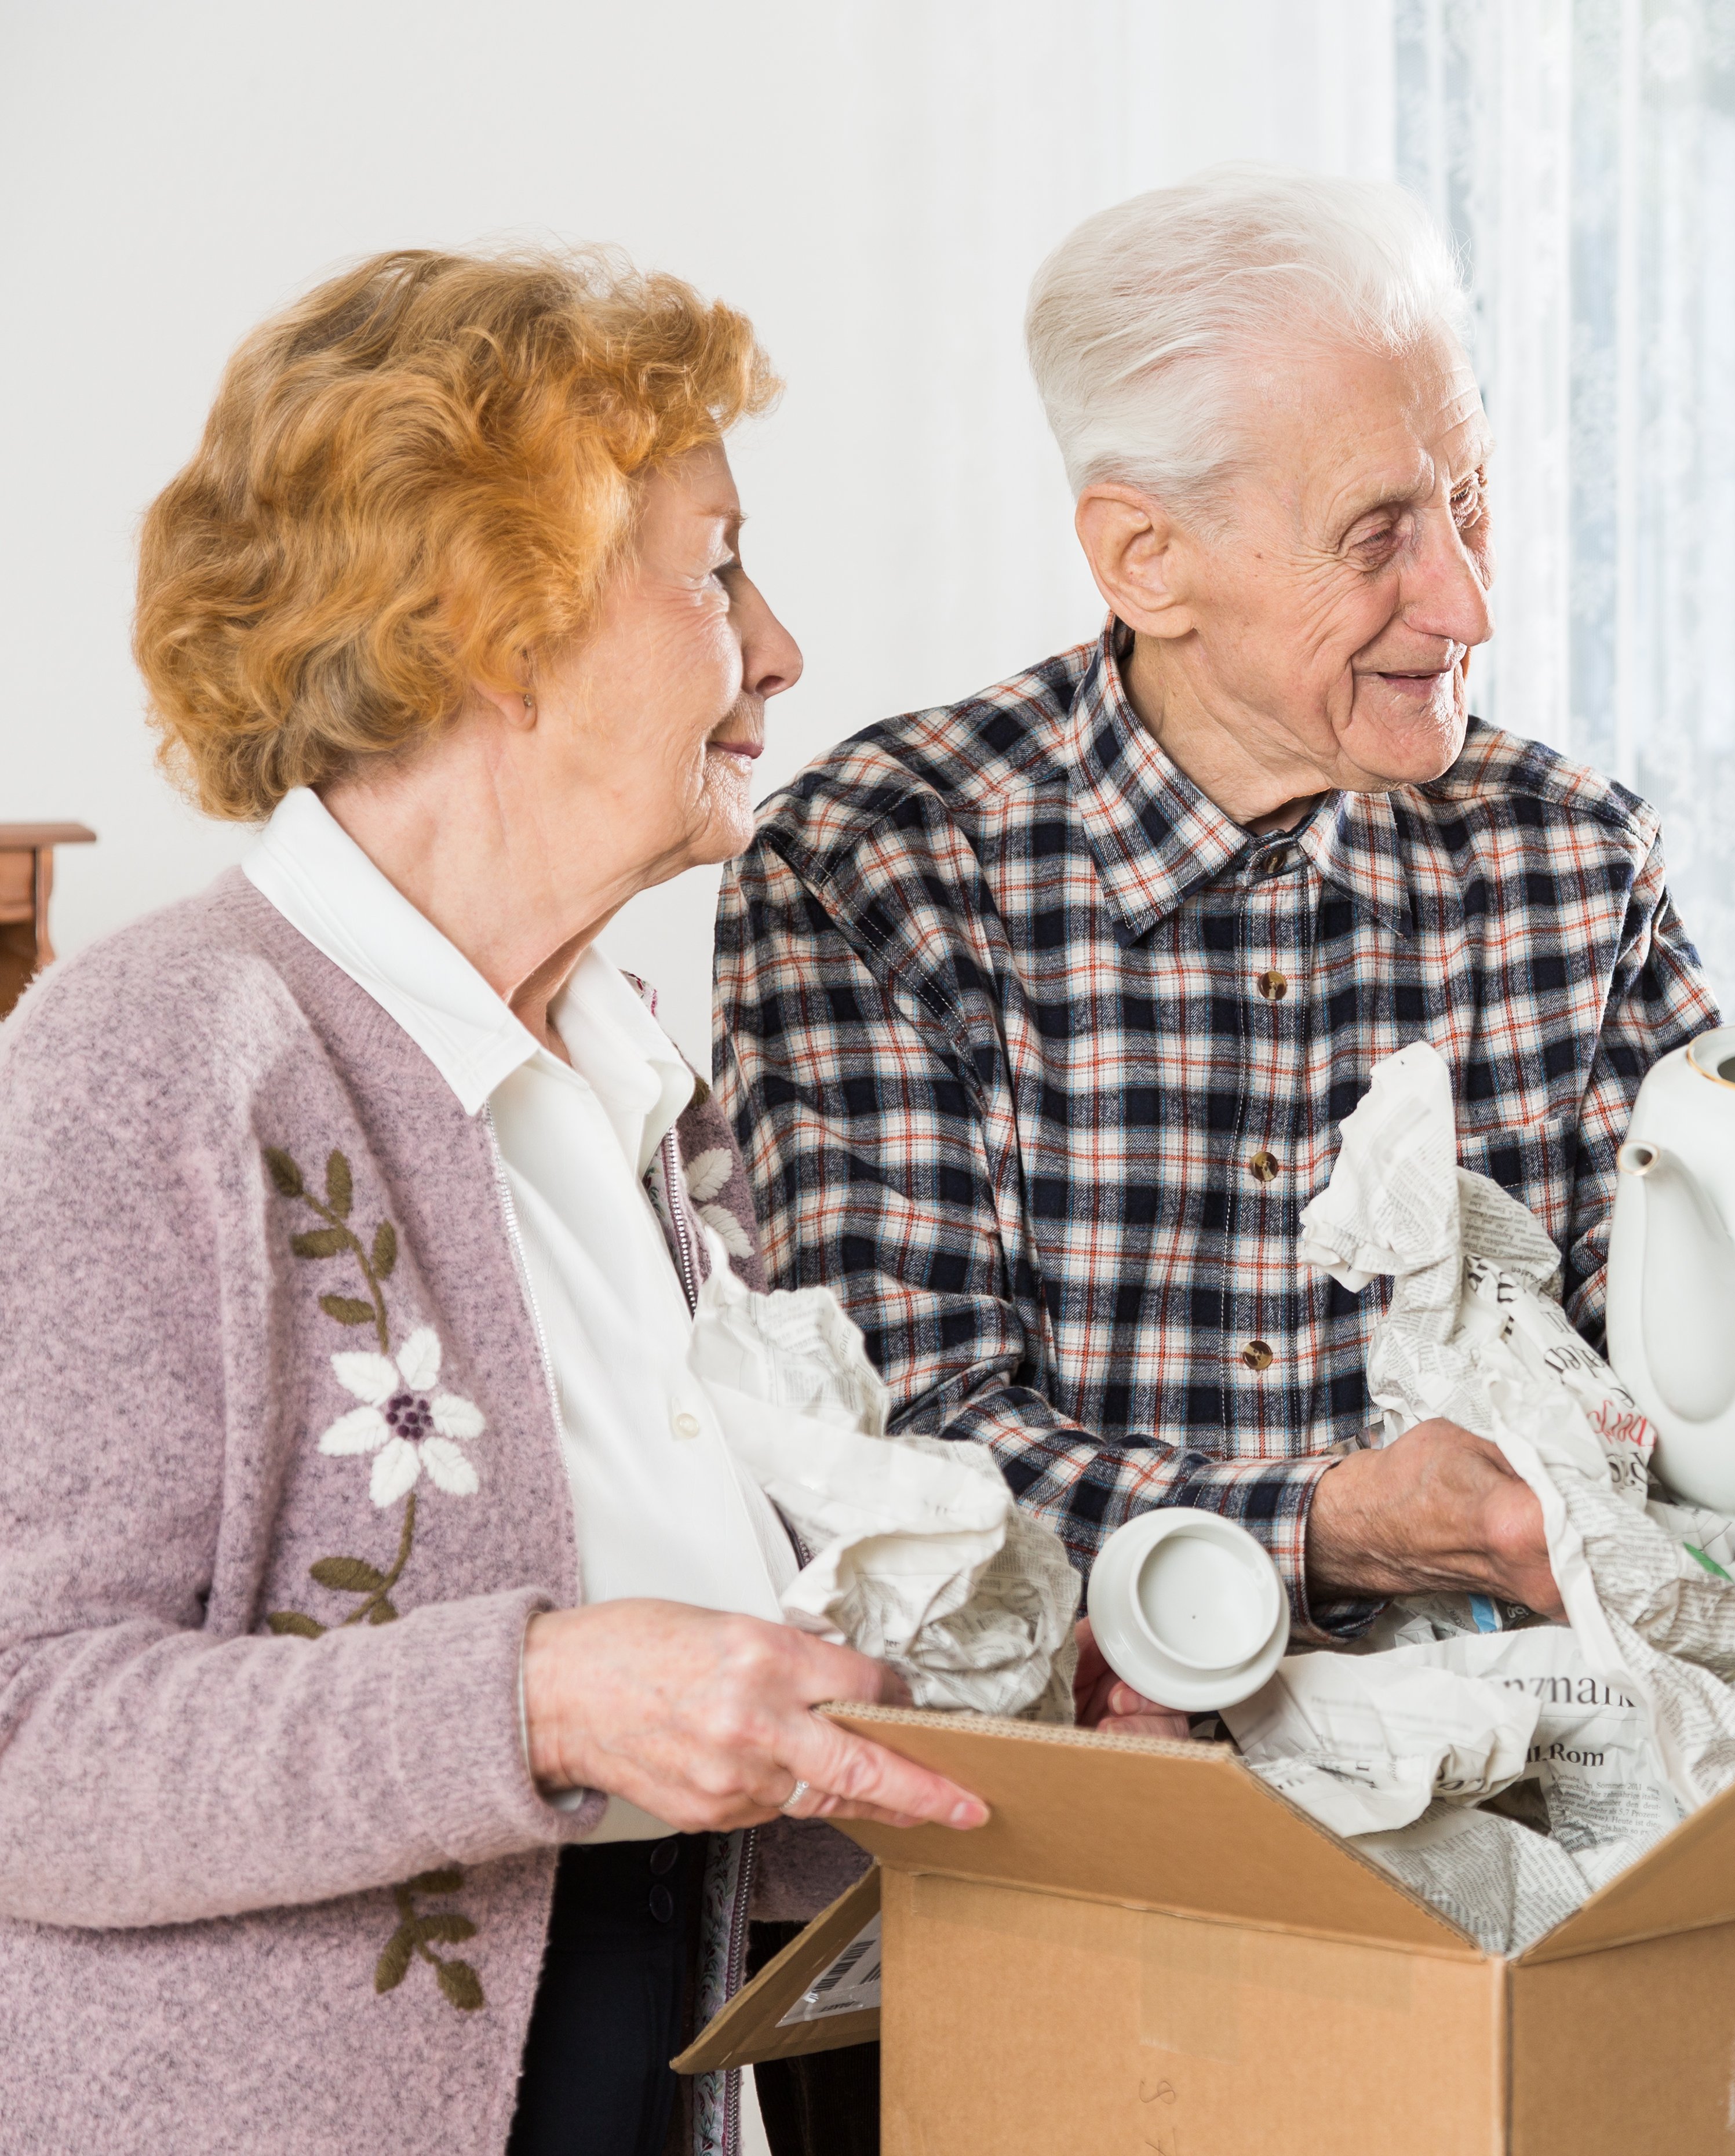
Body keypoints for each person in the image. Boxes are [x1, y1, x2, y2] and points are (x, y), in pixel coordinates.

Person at [715, 165, 1735, 1652]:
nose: (1468, 601)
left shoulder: (1573, 857)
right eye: (1378, 535)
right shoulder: (875, 871)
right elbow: (899, 1470)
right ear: (1147, 559)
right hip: (1074, 1813)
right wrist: (1333, 1531)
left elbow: (1695, 1400)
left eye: (1470, 500)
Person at [0, 248, 1008, 2156]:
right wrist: (537, 1699)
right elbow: (23, 1732)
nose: (778, 646)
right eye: (716, 567)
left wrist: (961, 1724)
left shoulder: (626, 1068)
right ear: (500, 623)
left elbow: (695, 1723)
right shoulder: (154, 1063)